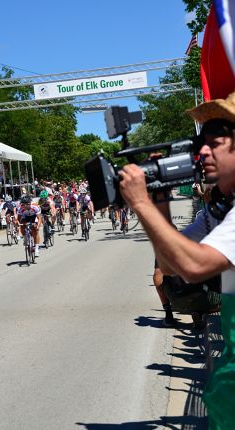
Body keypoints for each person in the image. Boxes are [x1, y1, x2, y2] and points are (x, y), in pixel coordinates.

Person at [119, 90, 235, 430]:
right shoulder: (220, 208)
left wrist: (140, 204)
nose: (202, 151)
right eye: (201, 142)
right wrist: (159, 203)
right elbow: (170, 265)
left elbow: (194, 266)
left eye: (215, 142)